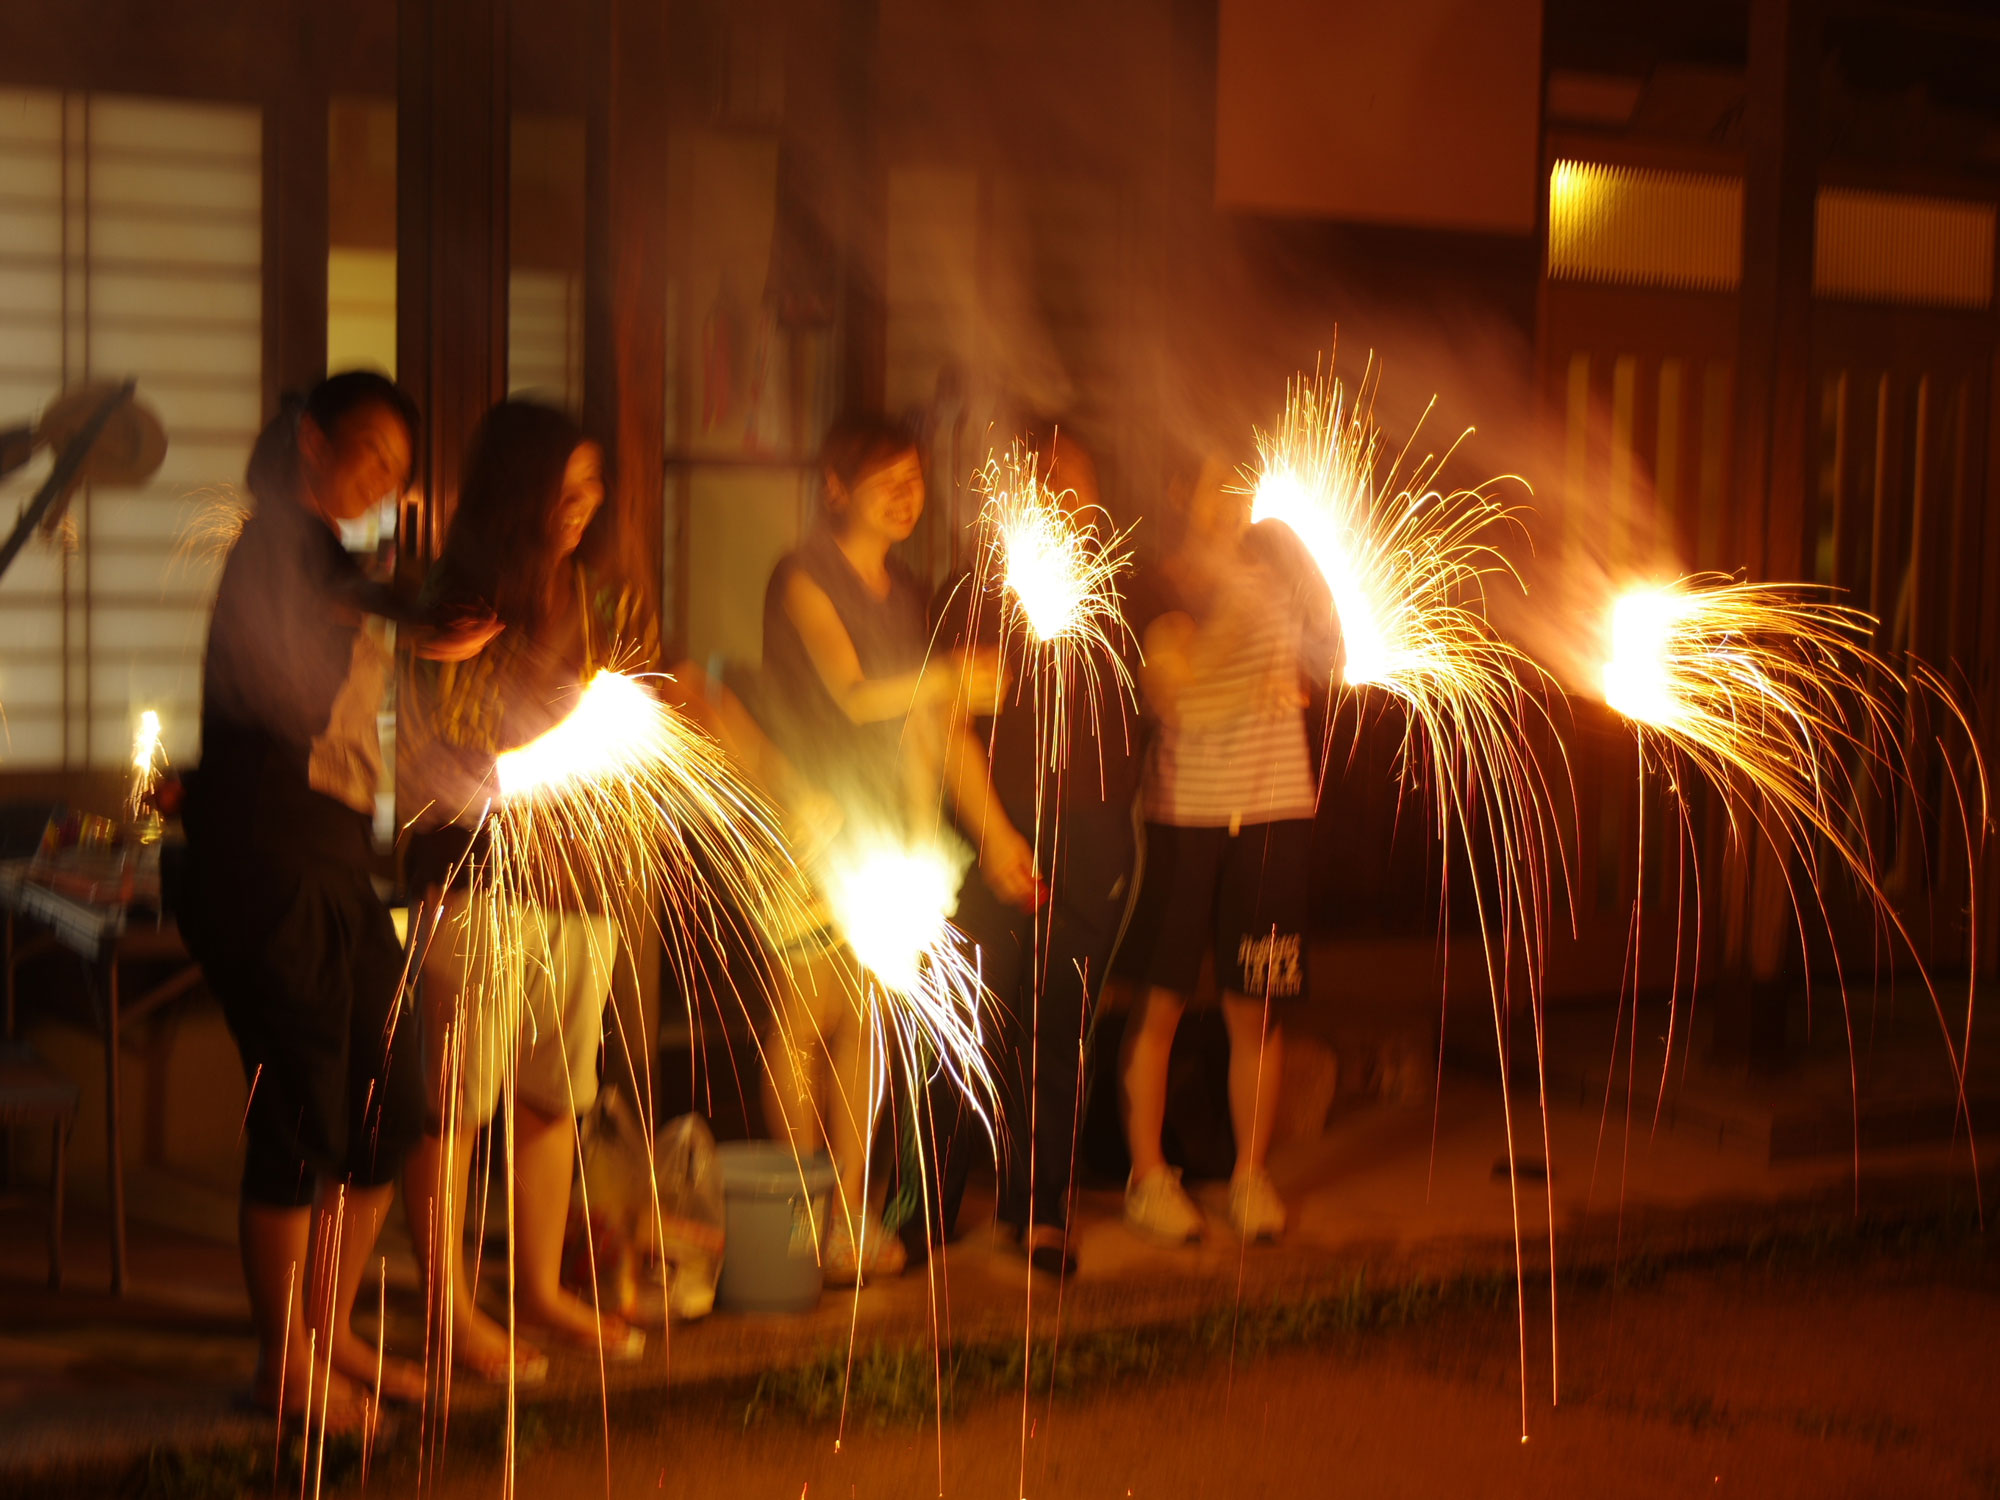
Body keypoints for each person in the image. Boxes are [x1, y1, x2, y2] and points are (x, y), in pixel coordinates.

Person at [176, 371, 495, 1424]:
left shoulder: (337, 562)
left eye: (398, 473)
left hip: (335, 856)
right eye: (368, 455)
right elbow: (339, 595)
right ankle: (284, 1367)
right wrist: (412, 605)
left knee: (387, 1097)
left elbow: (363, 603)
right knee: (304, 1109)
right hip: (269, 854)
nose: (379, 481)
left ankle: (331, 1332)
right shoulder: (278, 540)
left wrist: (414, 615)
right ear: (312, 441)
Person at [398, 400, 660, 1381]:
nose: (582, 506)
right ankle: (447, 1310)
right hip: (472, 876)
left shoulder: (603, 598)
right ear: (517, 488)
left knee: (555, 1097)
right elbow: (440, 743)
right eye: (566, 487)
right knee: (456, 1104)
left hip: (576, 880)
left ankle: (541, 1288)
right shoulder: (455, 602)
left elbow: (642, 699)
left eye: (594, 488)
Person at [891, 430, 1141, 1277]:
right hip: (990, 840)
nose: (1070, 502)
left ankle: (1041, 1209)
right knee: (962, 1023)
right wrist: (998, 834)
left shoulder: (1117, 593)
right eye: (1052, 484)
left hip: (1092, 847)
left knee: (1059, 1032)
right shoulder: (976, 592)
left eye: (1083, 486)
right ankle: (922, 1206)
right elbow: (947, 718)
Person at [756, 412, 998, 1284]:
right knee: (804, 1019)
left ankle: (851, 1215)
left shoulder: (908, 592)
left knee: (865, 1024)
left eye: (916, 479)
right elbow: (854, 693)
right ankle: (797, 1212)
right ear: (835, 487)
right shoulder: (803, 577)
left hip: (891, 832)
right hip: (812, 824)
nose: (907, 495)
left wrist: (972, 832)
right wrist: (948, 675)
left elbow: (933, 725)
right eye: (887, 478)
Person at [1114, 449, 1332, 1245]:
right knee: (1162, 1001)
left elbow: (1328, 654)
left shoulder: (1280, 567)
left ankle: (1250, 1175)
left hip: (1275, 812)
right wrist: (1239, 638)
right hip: (1184, 817)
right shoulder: (1161, 582)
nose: (1238, 500)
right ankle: (1148, 1179)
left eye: (1247, 483)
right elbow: (1174, 697)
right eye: (1219, 483)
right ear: (1181, 489)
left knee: (1257, 1004)